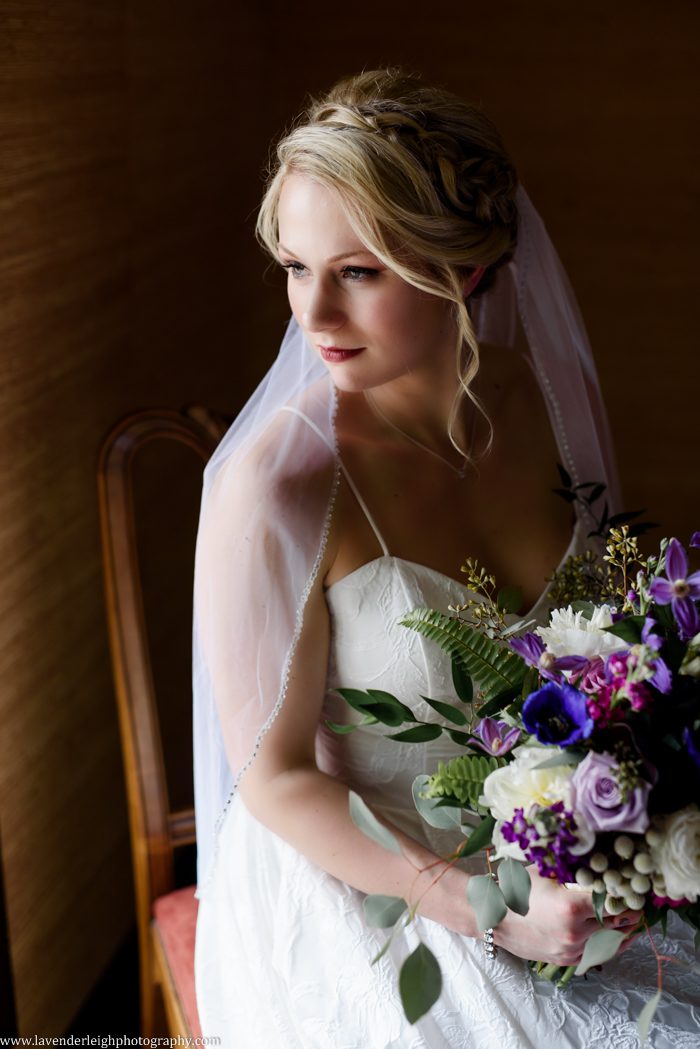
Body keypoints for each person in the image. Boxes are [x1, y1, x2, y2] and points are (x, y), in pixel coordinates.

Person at [193, 70, 699, 1048]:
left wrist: (620, 815)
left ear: (465, 266)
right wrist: (485, 903)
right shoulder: (281, 485)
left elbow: (605, 647)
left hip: (560, 841)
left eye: (360, 271)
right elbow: (278, 777)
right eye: (297, 268)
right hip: (363, 874)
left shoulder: (540, 397)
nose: (315, 315)